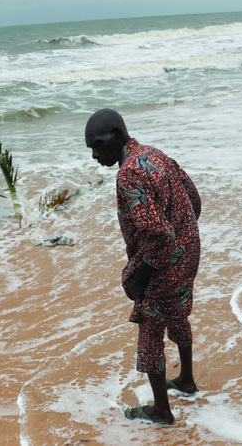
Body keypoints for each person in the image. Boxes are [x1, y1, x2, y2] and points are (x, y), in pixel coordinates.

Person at [85, 108, 201, 425]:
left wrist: (140, 278)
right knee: (178, 312)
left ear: (117, 134)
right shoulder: (155, 155)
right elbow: (194, 198)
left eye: (97, 145)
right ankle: (187, 380)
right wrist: (184, 236)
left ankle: (161, 411)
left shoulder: (129, 174)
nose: (95, 155)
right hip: (189, 253)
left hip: (162, 262)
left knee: (150, 331)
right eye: (91, 148)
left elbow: (157, 235)